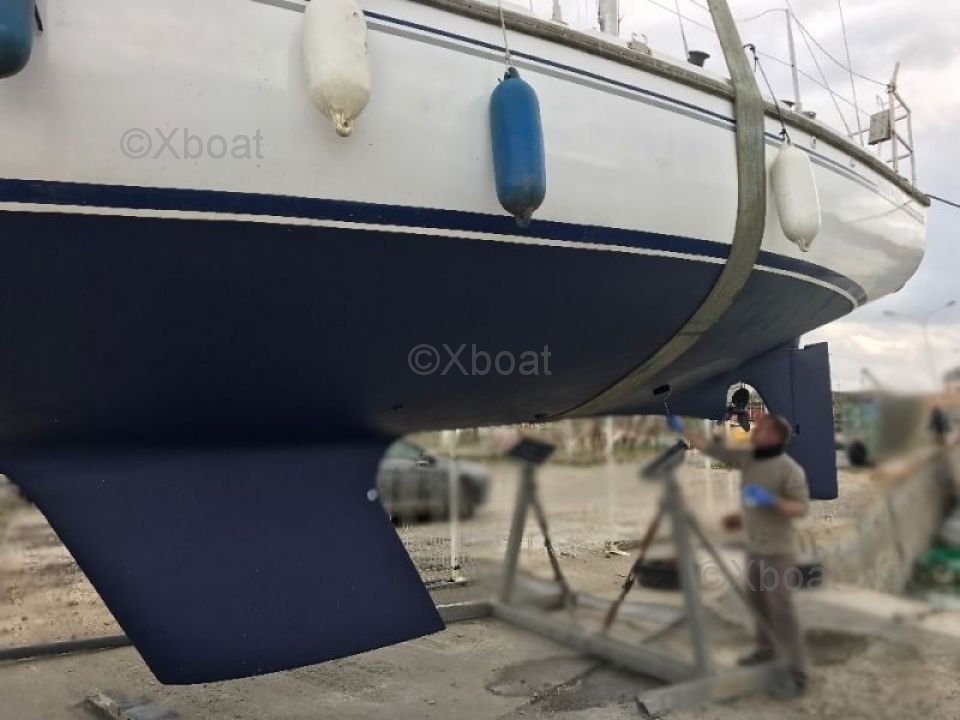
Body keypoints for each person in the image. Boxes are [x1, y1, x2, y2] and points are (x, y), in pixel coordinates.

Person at [683, 413, 811, 694]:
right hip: (755, 548)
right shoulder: (751, 458)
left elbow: (801, 508)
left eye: (761, 427)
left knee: (782, 610)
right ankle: (766, 650)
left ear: (774, 436)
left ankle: (797, 673)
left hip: (777, 551)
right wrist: (683, 429)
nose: (754, 430)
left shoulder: (789, 469)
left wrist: (772, 500)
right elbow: (715, 450)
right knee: (758, 602)